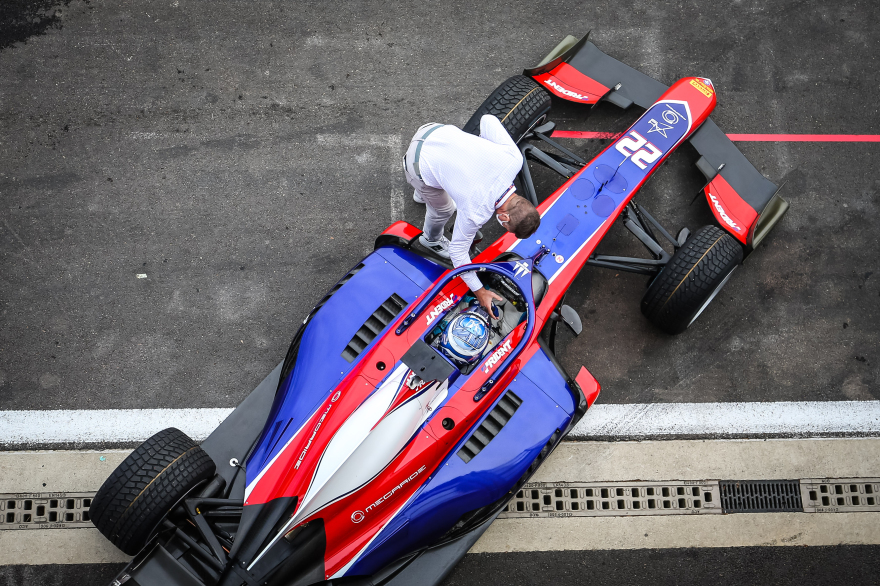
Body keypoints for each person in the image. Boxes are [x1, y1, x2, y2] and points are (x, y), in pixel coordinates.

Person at [403, 115, 541, 314]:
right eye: (506, 227)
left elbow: (487, 119)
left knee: (447, 187)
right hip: (416, 163)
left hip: (433, 130)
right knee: (445, 209)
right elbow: (458, 254)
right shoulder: (475, 213)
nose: (503, 226)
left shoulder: (514, 159)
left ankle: (425, 189)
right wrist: (480, 291)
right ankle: (430, 240)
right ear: (505, 218)